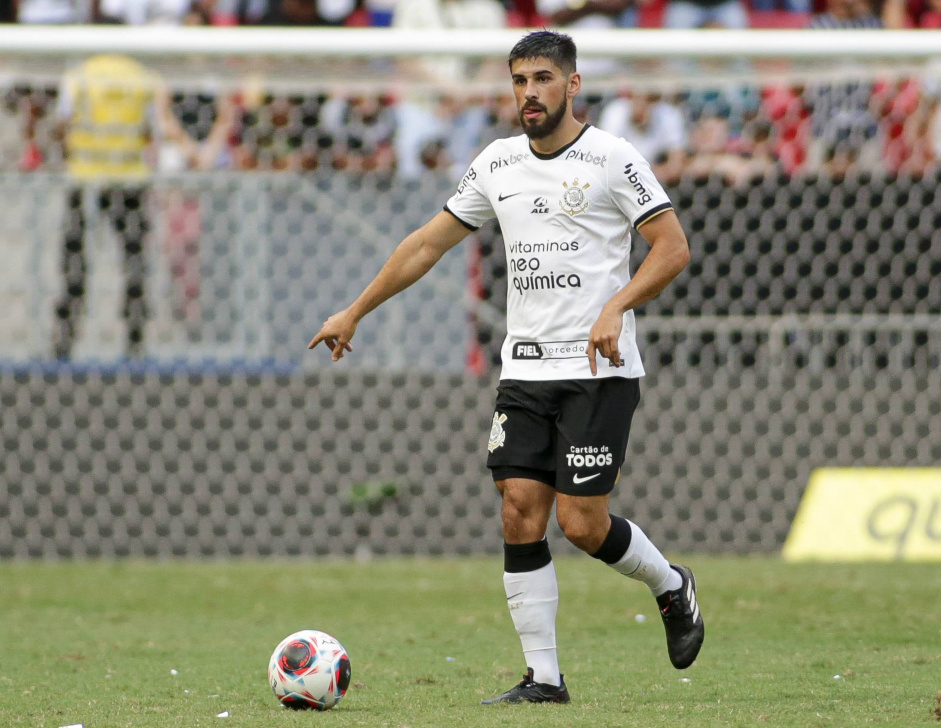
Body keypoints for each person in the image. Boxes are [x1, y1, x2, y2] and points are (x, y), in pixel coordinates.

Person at [308, 31, 704, 704]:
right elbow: (427, 243)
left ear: (572, 85)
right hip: (523, 370)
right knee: (519, 511)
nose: (529, 92)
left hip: (596, 369)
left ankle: (670, 584)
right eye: (519, 79)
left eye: (543, 78)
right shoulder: (495, 163)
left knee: (580, 524)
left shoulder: (612, 157)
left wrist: (617, 305)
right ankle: (543, 679)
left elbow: (670, 248)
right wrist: (355, 309)